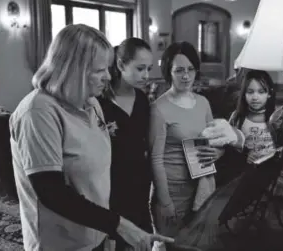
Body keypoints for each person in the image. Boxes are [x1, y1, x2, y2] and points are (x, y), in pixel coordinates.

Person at [9, 24, 173, 251]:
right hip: (60, 244)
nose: (108, 76)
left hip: (96, 235)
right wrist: (119, 224)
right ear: (74, 68)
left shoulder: (91, 103)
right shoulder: (38, 112)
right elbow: (51, 192)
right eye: (99, 70)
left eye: (107, 68)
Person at [149, 41, 228, 250]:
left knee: (197, 245)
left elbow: (216, 139)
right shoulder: (159, 108)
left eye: (191, 69)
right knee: (172, 246)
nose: (186, 76)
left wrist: (217, 153)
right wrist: (164, 202)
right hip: (172, 190)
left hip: (201, 186)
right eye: (179, 70)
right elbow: (155, 159)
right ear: (169, 72)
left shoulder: (203, 102)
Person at [97, 38, 154, 251]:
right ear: (121, 65)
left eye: (149, 69)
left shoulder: (142, 99)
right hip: (111, 186)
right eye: (140, 69)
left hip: (140, 185)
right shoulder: (99, 102)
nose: (146, 76)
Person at [229, 70, 277, 164]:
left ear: (269, 94)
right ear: (244, 94)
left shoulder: (277, 117)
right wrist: (245, 156)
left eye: (261, 92)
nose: (255, 97)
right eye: (250, 92)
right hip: (245, 170)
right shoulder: (237, 117)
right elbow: (229, 147)